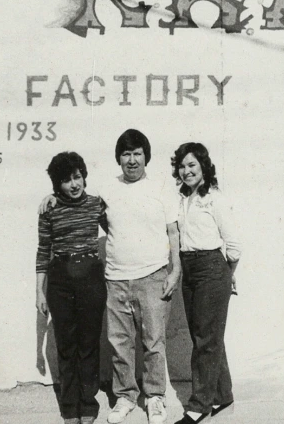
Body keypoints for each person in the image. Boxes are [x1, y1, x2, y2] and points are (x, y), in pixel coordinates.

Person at [41, 129, 181, 424]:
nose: (132, 160)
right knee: (120, 343)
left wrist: (175, 269)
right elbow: (79, 209)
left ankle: (155, 397)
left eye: (137, 154)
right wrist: (49, 199)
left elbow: (173, 232)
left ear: (146, 156)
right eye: (126, 154)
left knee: (153, 341)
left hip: (152, 273)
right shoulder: (107, 190)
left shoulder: (161, 186)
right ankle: (125, 396)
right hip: (115, 276)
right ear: (119, 158)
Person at [170, 143, 239, 424]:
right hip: (189, 269)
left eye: (192, 166)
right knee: (206, 335)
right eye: (182, 166)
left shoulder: (216, 199)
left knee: (205, 340)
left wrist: (227, 271)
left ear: (204, 167)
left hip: (211, 268)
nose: (186, 171)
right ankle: (223, 395)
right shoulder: (181, 198)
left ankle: (200, 406)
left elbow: (234, 246)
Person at [37, 152, 108, 424]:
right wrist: (38, 291)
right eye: (66, 180)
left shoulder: (95, 205)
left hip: (90, 275)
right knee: (66, 346)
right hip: (60, 279)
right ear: (57, 185)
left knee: (89, 344)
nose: (74, 185)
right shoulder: (49, 208)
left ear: (84, 177)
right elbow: (43, 251)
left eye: (77, 177)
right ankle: (69, 408)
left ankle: (88, 405)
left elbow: (119, 227)